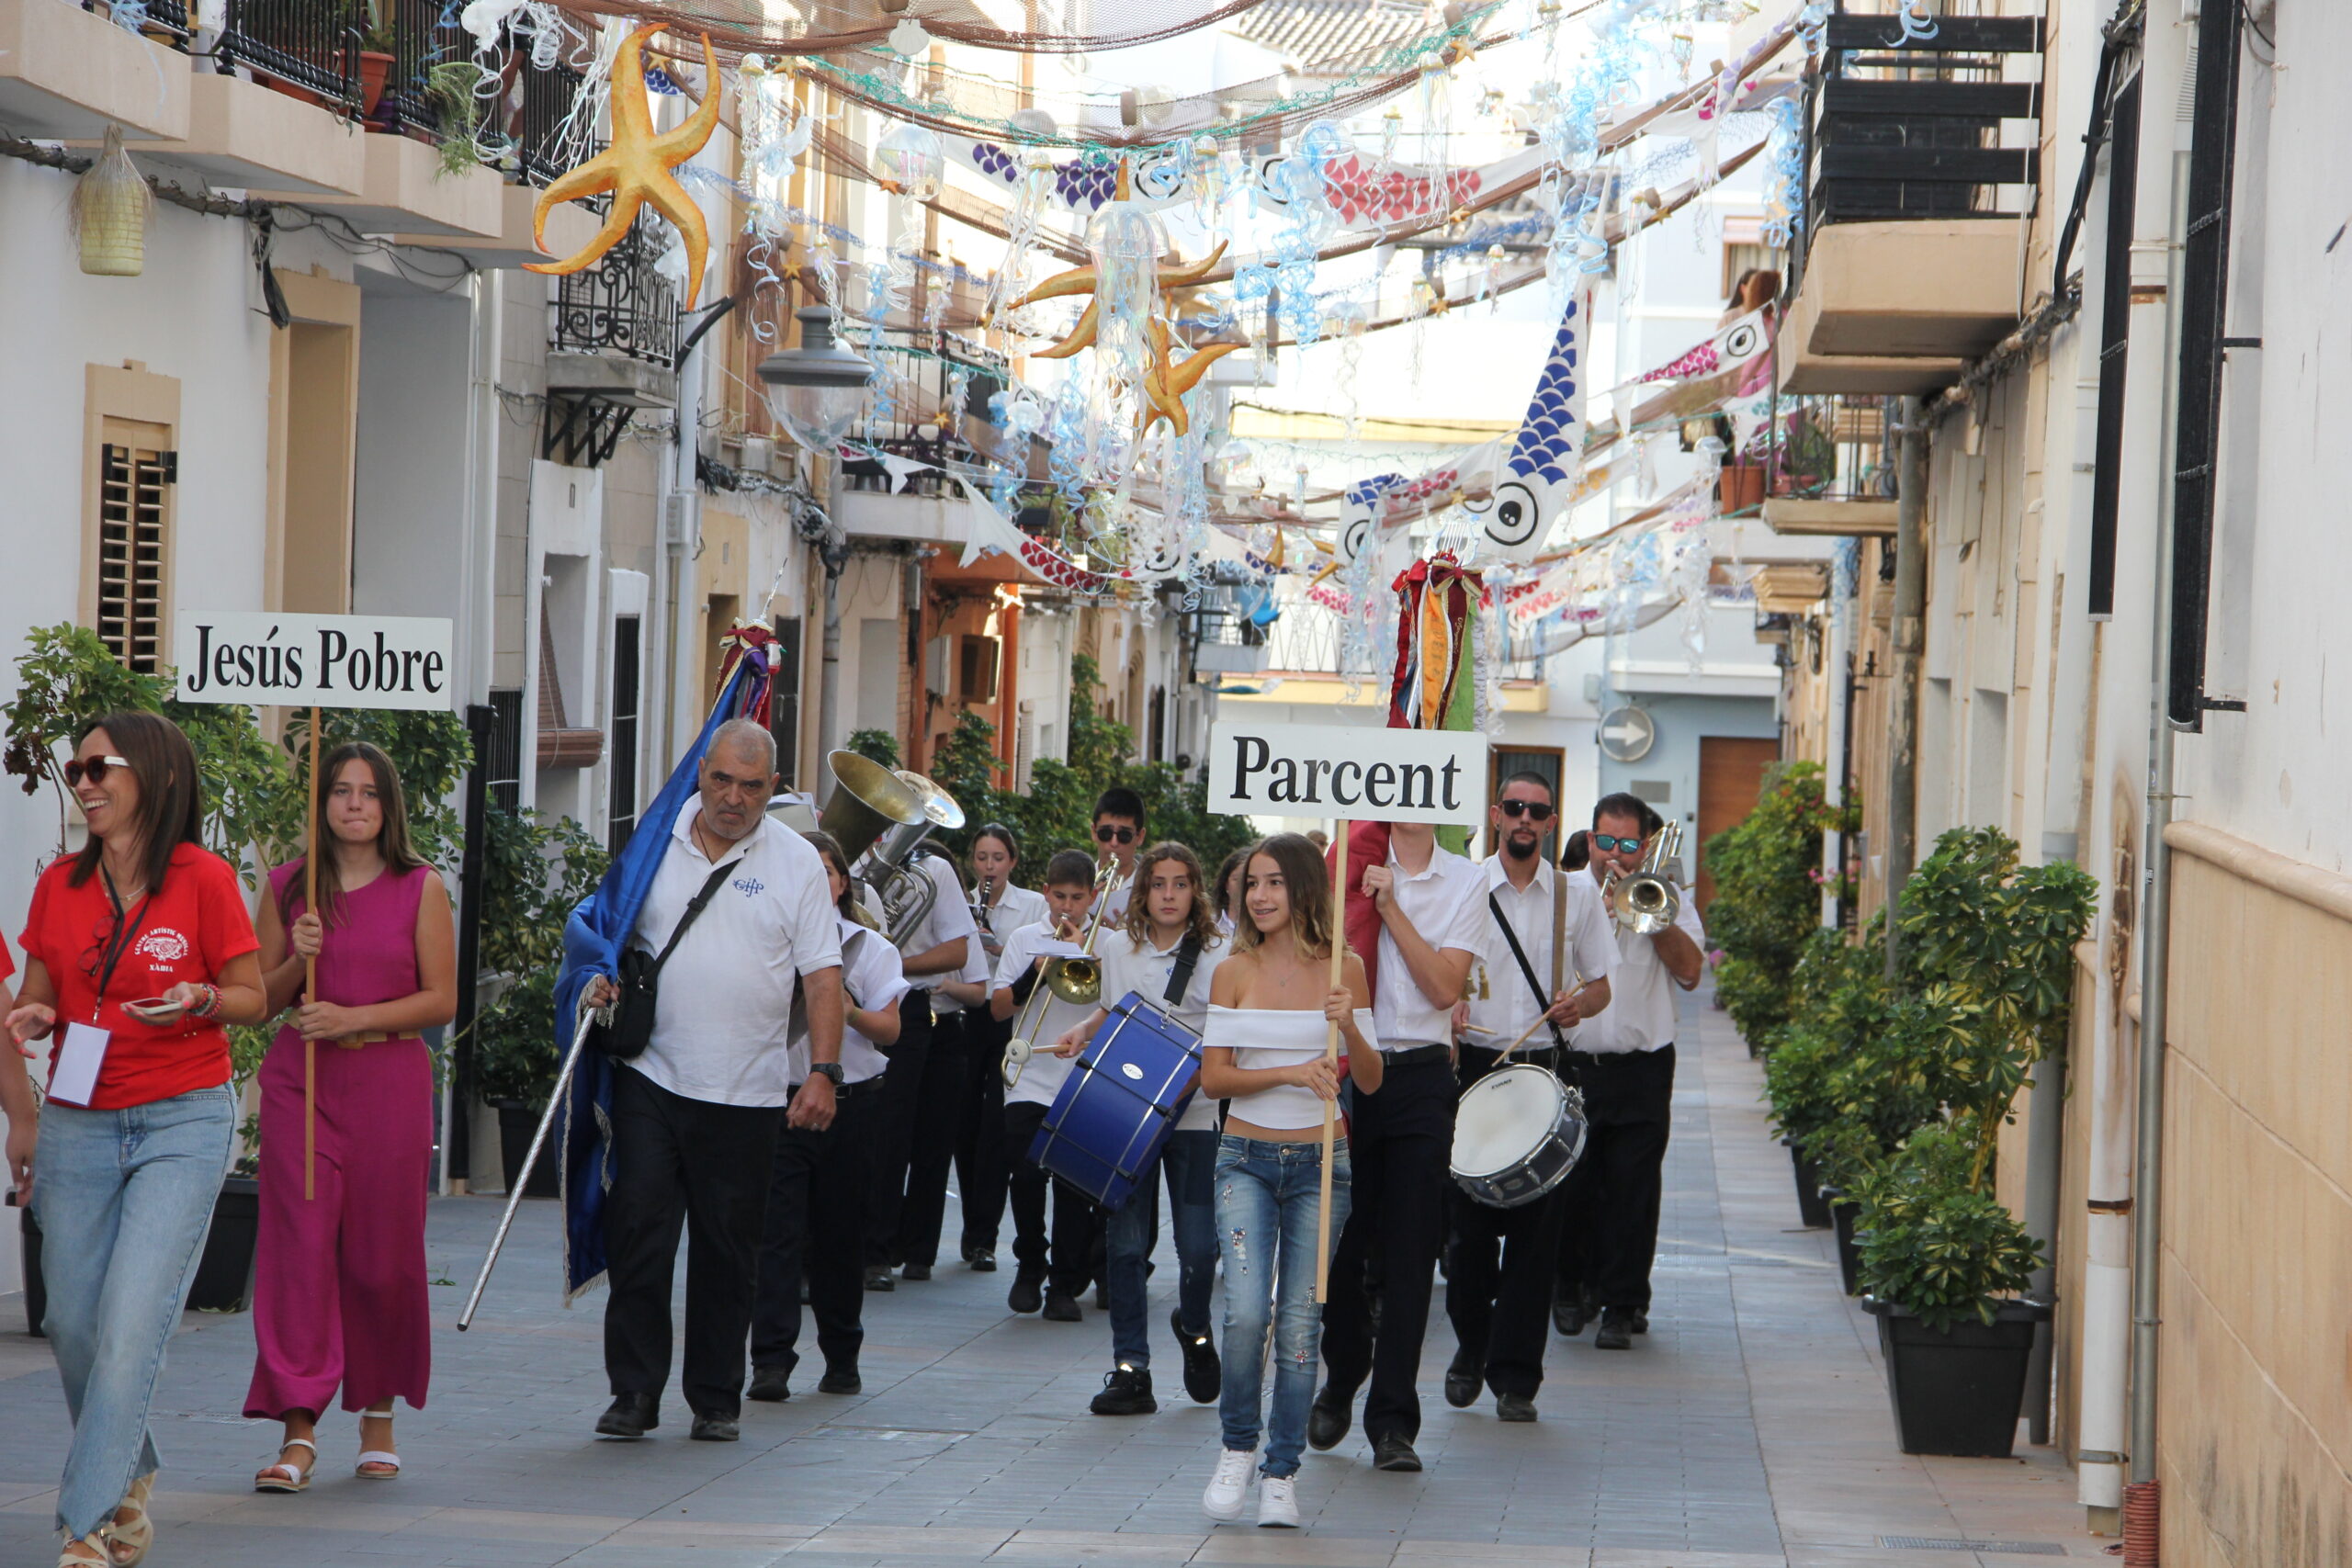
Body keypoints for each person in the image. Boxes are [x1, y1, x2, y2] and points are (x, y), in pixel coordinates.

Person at [2, 712, 269, 1568]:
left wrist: (198, 998)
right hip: (81, 1113)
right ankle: (133, 1463)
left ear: (149, 776)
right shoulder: (60, 884)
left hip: (182, 1114)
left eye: (96, 768)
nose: (81, 784)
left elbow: (251, 994)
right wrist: (35, 1011)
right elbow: (42, 983)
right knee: (73, 1320)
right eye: (76, 772)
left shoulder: (203, 877)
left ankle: (88, 1523)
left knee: (130, 1323)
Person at [582, 719, 844, 1443]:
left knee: (730, 1252)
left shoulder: (795, 863)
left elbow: (823, 974)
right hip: (651, 1075)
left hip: (750, 1091)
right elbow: (603, 931)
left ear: (773, 788)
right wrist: (594, 981)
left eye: (751, 786)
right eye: (722, 779)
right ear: (701, 771)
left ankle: (715, 1397)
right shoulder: (651, 841)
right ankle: (633, 1391)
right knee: (639, 1233)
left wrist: (823, 1071)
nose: (733, 797)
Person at [245, 742, 458, 1491]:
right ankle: (297, 1429)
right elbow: (258, 1002)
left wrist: (352, 1016)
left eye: (369, 791)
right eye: (340, 790)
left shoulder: (420, 886)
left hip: (388, 1081)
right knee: (298, 1253)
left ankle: (378, 1413)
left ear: (389, 804)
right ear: (323, 803)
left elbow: (442, 999)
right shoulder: (287, 887)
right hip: (301, 1083)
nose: (355, 803)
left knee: (380, 1254)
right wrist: (292, 959)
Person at [1196, 834, 1380, 1529]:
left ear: (1304, 888)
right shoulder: (1231, 969)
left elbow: (1369, 1078)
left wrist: (1349, 1029)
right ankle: (1237, 1446)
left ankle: (1281, 1469)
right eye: (1251, 884)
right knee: (1246, 1313)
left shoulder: (1347, 967)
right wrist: (1290, 1070)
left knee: (1303, 1323)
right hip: (1244, 1153)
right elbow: (1214, 1077)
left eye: (1273, 882)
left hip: (1321, 1164)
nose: (1259, 896)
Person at [1311, 816, 1486, 1472]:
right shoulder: (1344, 861)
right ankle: (1344, 1371)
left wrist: (1391, 907)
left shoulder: (1466, 878)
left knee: (1412, 1250)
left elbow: (1444, 986)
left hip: (1417, 1075)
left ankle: (1393, 1420)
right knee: (1342, 1242)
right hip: (1350, 1075)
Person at [1444, 773, 1614, 1423]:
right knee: (1469, 1233)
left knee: (1536, 1238)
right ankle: (1470, 1346)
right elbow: (1436, 969)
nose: (1523, 819)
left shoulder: (1576, 895)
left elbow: (1601, 984)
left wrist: (1579, 1005)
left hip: (1542, 1068)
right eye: (1513, 807)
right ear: (1496, 814)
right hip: (1475, 1067)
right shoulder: (1465, 885)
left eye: (1536, 811)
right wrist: (1449, 1000)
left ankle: (1516, 1376)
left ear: (1549, 821)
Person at [1052, 842, 1227, 1416]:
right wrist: (1083, 1027)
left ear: (1195, 891)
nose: (1170, 894)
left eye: (1181, 884)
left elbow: (1225, 1040)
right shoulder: (1116, 948)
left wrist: (1192, 1081)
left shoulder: (1218, 955)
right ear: (1143, 891)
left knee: (1200, 1248)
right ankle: (1132, 1368)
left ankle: (1195, 1329)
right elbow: (1112, 1009)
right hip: (1128, 1116)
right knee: (1125, 1247)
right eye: (1159, 884)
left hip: (1194, 1118)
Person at [749, 832, 907, 1402]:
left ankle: (842, 1356)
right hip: (778, 1100)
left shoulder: (870, 948)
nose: (819, 882)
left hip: (852, 1103)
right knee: (777, 1234)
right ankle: (770, 1360)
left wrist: (850, 1012)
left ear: (844, 883)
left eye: (829, 872)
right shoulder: (766, 939)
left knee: (842, 1234)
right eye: (807, 872)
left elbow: (891, 1029)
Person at [1557, 793, 1705, 1350]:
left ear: (1645, 846)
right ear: (1590, 840)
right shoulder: (1565, 894)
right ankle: (1570, 1287)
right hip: (1576, 1063)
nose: (1613, 855)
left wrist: (1647, 912)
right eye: (1604, 842)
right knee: (1571, 1183)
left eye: (1626, 844)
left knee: (1632, 1189)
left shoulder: (1665, 895)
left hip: (1642, 1066)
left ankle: (1624, 1304)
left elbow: (1691, 972)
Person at [990, 850, 1103, 1320]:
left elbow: (1113, 1003)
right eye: (1060, 896)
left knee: (1075, 1186)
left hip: (1080, 1079)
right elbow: (998, 1009)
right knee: (1027, 1173)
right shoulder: (1024, 938)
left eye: (1078, 898)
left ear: (1093, 897)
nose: (1068, 907)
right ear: (1045, 892)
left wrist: (1084, 953)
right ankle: (1029, 1261)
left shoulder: (1107, 943)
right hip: (1029, 1075)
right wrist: (1033, 972)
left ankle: (1063, 1283)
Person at [865, 821, 975, 1292]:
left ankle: (888, 1251)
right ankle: (859, 1244)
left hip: (907, 1004)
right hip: (847, 995)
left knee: (901, 1131)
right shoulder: (843, 860)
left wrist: (889, 960)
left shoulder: (933, 872)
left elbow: (957, 950)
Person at [948, 825, 1043, 1271]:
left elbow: (1033, 964)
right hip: (969, 1017)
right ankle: (972, 1231)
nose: (989, 867)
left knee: (995, 1130)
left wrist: (997, 945)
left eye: (998, 858)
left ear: (1012, 861)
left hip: (1010, 1019)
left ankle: (985, 1236)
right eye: (982, 858)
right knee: (964, 1127)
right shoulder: (959, 902)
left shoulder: (1032, 905)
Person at [1091, 786, 1147, 921]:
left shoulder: (1152, 888)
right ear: (1094, 832)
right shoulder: (1077, 882)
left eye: (1124, 835)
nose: (1114, 843)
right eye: (1106, 833)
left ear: (1140, 837)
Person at [1213, 848, 1249, 936]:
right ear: (1226, 884)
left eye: (1249, 880)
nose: (1242, 885)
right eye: (1237, 879)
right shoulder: (1209, 927)